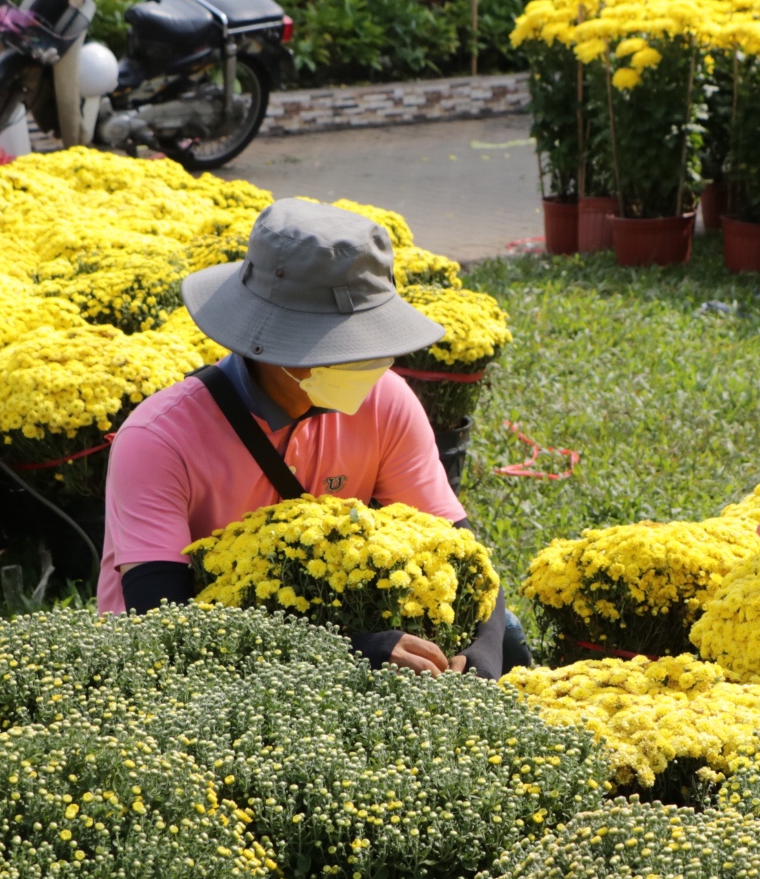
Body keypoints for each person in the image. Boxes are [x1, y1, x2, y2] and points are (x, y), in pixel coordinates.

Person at [99, 197, 512, 678]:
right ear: (271, 341)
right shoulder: (158, 440)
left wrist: (484, 651)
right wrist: (352, 651)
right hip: (194, 673)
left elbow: (464, 555)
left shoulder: (385, 401)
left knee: (510, 632)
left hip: (331, 633)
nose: (370, 361)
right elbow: (164, 630)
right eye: (342, 344)